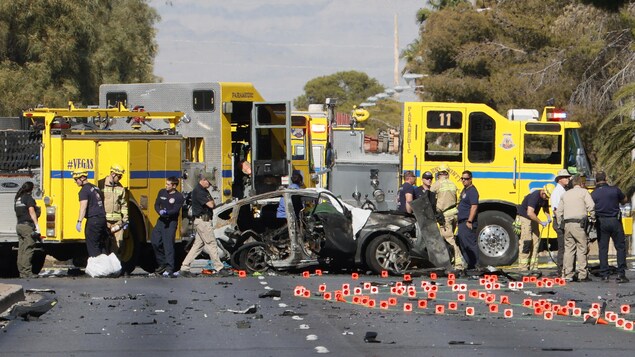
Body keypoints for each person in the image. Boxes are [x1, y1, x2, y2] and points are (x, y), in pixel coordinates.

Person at [179, 172, 232, 277]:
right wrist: (211, 201)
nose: (210, 185)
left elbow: (213, 203)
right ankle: (219, 268)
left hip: (203, 221)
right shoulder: (199, 191)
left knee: (198, 245)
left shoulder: (204, 191)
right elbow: (211, 204)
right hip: (202, 221)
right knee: (212, 243)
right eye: (209, 183)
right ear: (203, 180)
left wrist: (211, 201)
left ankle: (184, 268)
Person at [591, 171, 629, 283]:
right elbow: (624, 200)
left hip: (601, 222)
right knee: (620, 247)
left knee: (603, 249)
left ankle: (604, 274)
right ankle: (621, 274)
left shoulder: (593, 193)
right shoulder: (615, 190)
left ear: (596, 180)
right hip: (615, 221)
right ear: (605, 179)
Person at [556, 174, 595, 282]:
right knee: (582, 248)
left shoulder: (565, 194)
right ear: (581, 183)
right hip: (579, 225)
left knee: (569, 250)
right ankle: (583, 274)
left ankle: (568, 274)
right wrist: (593, 218)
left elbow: (559, 212)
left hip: (567, 224)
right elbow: (591, 206)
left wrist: (560, 224)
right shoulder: (584, 192)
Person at [431, 165, 463, 271]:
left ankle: (458, 263)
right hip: (454, 213)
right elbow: (457, 200)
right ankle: (452, 259)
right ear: (447, 174)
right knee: (451, 237)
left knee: (449, 239)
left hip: (445, 216)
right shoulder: (453, 184)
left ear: (439, 174)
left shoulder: (436, 184)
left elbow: (430, 199)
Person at [151, 176, 185, 277]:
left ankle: (170, 268)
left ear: (174, 186)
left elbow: (175, 210)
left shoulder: (179, 197)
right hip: (161, 221)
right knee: (155, 241)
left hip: (171, 222)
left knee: (168, 245)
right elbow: (156, 205)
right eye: (166, 184)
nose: (166, 186)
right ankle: (162, 263)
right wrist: (159, 211)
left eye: (168, 184)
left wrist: (167, 213)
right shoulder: (162, 192)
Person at [516, 184, 554, 273]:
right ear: (543, 192)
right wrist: (540, 222)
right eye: (546, 196)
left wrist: (548, 216)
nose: (547, 199)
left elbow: (545, 208)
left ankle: (533, 266)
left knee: (536, 241)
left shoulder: (545, 198)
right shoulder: (535, 196)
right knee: (527, 242)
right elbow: (529, 213)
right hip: (525, 217)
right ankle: (523, 267)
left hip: (533, 218)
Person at [73, 170, 110, 258]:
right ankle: (106, 266)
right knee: (101, 244)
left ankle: (98, 267)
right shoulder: (95, 188)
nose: (75, 181)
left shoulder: (84, 191)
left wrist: (79, 221)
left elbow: (83, 207)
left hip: (93, 220)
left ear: (82, 178)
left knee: (92, 245)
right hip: (102, 219)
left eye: (76, 179)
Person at [98, 164, 128, 256]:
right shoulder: (101, 185)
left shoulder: (120, 188)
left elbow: (124, 205)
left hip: (117, 223)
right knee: (104, 245)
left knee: (118, 245)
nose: (120, 179)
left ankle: (115, 266)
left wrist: (125, 220)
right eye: (119, 176)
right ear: (112, 174)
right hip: (105, 221)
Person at [14, 182, 40, 278]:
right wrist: (37, 225)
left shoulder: (18, 198)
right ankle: (27, 272)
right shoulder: (28, 198)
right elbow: (32, 212)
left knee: (21, 249)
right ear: (31, 189)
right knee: (29, 248)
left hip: (19, 226)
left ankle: (22, 272)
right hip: (27, 226)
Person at [457, 170, 480, 271]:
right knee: (463, 244)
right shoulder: (465, 190)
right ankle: (470, 265)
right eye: (462, 179)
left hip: (467, 221)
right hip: (462, 221)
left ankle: (476, 265)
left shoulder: (472, 191)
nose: (463, 181)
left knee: (470, 244)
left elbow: (474, 207)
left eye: (466, 179)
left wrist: (469, 221)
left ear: (470, 179)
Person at [550, 169, 571, 277]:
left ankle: (562, 269)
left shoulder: (562, 190)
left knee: (564, 246)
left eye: (568, 177)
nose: (568, 179)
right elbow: (556, 209)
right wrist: (560, 223)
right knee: (562, 247)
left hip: (561, 220)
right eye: (565, 177)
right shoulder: (558, 192)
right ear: (559, 179)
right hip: (560, 221)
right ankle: (560, 270)